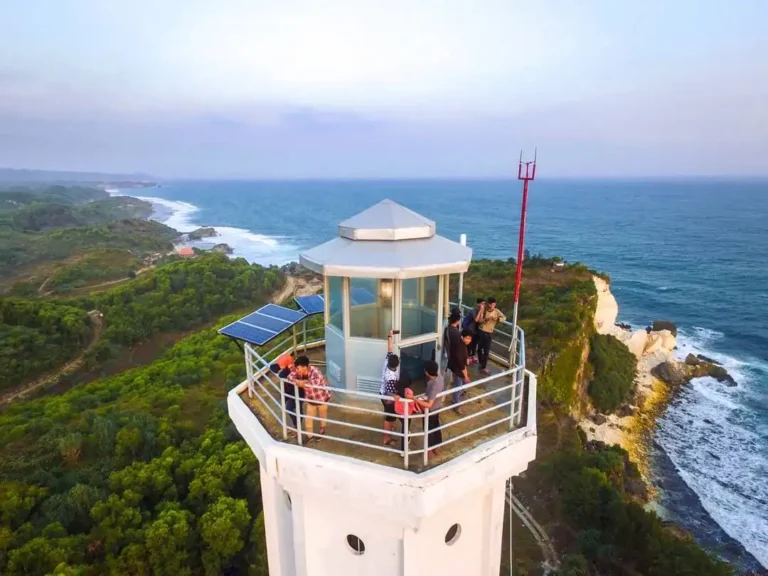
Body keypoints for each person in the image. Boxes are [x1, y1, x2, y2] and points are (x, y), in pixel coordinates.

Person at [287, 355, 330, 443]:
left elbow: (314, 383)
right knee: (308, 419)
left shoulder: (315, 372)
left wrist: (302, 383)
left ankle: (322, 430)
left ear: (305, 367)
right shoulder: (298, 371)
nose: (297, 370)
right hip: (311, 400)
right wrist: (298, 381)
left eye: (298, 368)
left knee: (322, 416)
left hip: (322, 399)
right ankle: (310, 436)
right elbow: (289, 377)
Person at [415, 360, 445, 457]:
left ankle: (429, 451)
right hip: (437, 408)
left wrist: (415, 400)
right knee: (436, 427)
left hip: (431, 410)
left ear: (427, 372)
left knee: (428, 430)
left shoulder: (434, 386)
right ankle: (437, 448)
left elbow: (429, 405)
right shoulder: (439, 377)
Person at [271, 354, 302, 436]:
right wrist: (281, 367)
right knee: (289, 409)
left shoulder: (295, 369)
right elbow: (273, 367)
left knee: (293, 409)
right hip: (289, 391)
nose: (280, 369)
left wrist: (287, 368)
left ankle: (297, 427)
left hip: (298, 393)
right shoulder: (286, 369)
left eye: (282, 367)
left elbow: (281, 375)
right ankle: (295, 425)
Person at [475, 297, 507, 375]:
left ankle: (483, 367)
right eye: (491, 304)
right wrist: (486, 320)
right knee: (479, 349)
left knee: (486, 351)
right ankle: (481, 363)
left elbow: (504, 317)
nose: (492, 305)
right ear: (488, 304)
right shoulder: (484, 309)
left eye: (494, 304)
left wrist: (498, 319)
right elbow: (479, 320)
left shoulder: (496, 311)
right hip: (481, 331)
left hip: (489, 333)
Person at [380, 329, 401, 446]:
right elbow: (389, 392)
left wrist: (390, 336)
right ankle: (386, 438)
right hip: (387, 397)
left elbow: (389, 348)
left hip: (381, 392)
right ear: (397, 365)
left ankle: (389, 429)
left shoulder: (388, 359)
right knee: (389, 417)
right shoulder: (392, 377)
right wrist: (396, 396)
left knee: (389, 416)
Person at [448, 328, 474, 415]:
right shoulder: (460, 347)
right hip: (459, 370)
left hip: (457, 369)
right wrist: (466, 376)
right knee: (458, 387)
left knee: (460, 386)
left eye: (470, 339)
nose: (469, 340)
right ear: (462, 337)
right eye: (467, 338)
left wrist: (466, 359)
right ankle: (456, 405)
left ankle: (456, 399)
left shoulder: (461, 343)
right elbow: (461, 365)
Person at [463, 298, 485, 363]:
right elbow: (476, 319)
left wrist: (482, 312)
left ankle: (472, 355)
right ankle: (467, 357)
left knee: (474, 343)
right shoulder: (473, 310)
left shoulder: (482, 311)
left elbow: (481, 320)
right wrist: (480, 311)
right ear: (478, 304)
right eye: (482, 303)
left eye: (484, 303)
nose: (483, 305)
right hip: (470, 329)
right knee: (469, 344)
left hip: (476, 330)